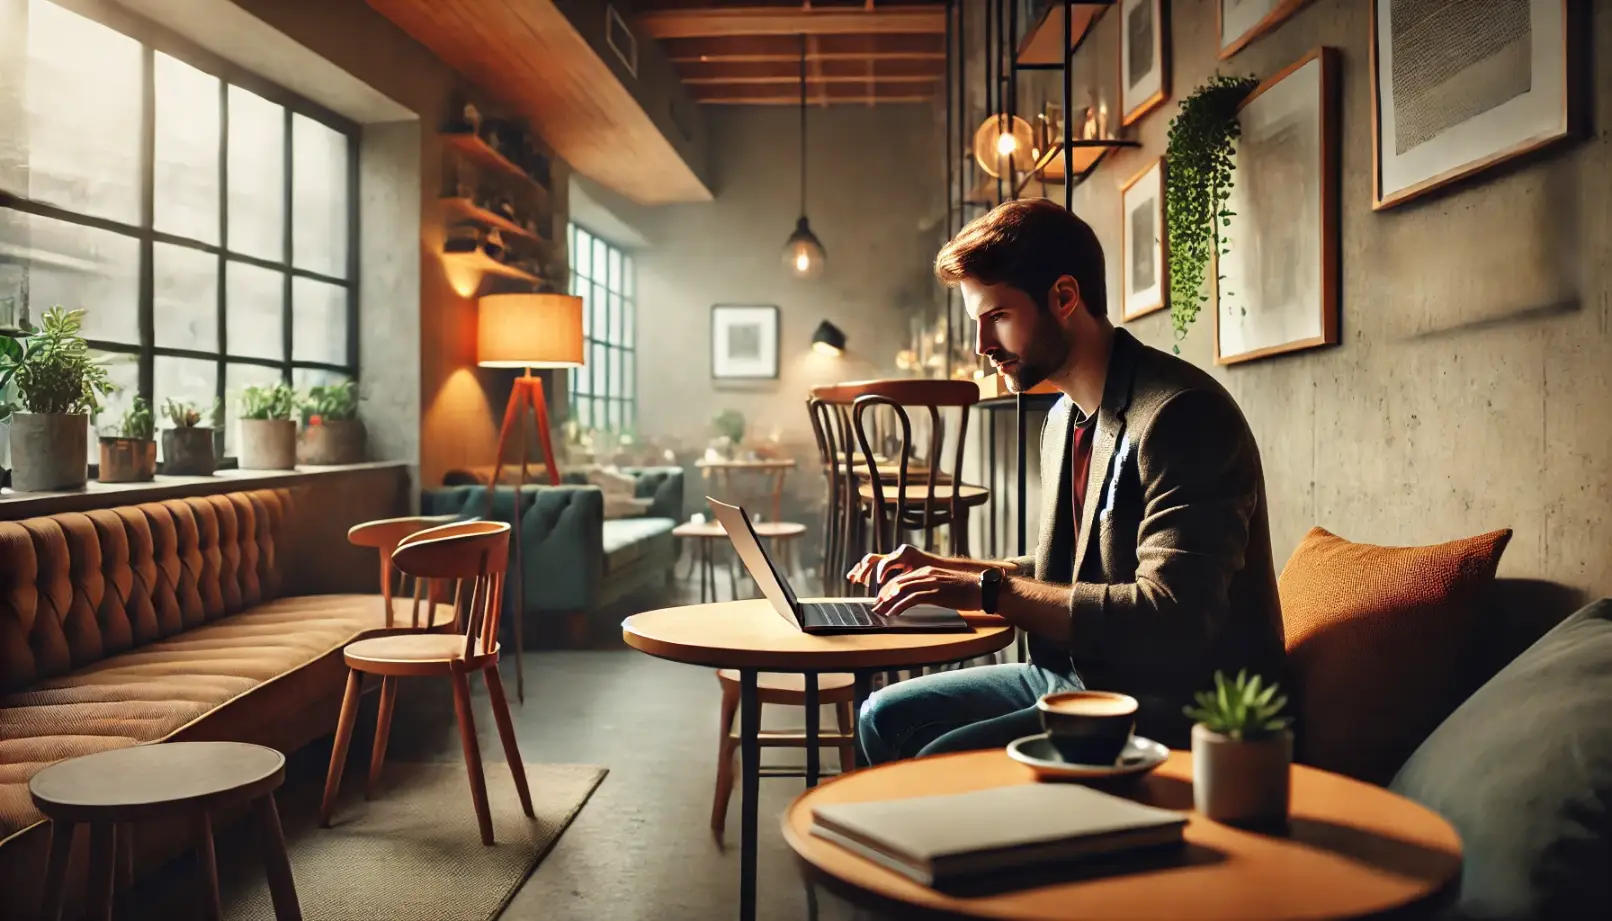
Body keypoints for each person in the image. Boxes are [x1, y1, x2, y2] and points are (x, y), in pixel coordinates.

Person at [851, 199, 1286, 764]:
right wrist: (947, 570)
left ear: (1063, 298)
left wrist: (987, 590)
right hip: (1073, 675)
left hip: (1169, 702)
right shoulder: (1062, 419)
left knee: (941, 758)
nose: (982, 346)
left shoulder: (1182, 415)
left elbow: (1174, 616)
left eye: (997, 316)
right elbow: (1067, 573)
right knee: (883, 716)